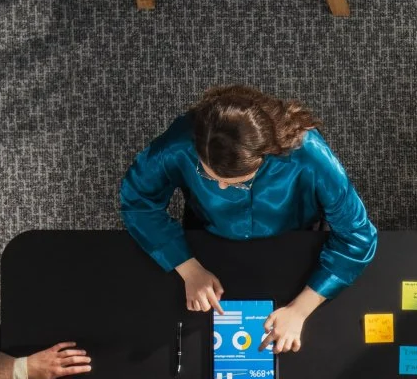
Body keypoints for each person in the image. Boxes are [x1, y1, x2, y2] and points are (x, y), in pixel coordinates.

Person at [120, 85, 378, 353]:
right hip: (207, 233)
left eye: (235, 183)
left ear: (265, 155)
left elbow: (358, 235)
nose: (219, 189)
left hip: (296, 234)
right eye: (208, 177)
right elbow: (137, 203)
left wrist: (299, 311)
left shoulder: (309, 154)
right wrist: (188, 268)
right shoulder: (177, 145)